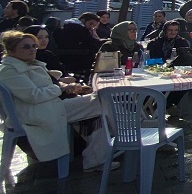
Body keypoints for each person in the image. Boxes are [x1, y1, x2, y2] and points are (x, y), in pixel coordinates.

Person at [0, 31, 110, 170]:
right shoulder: (9, 71)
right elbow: (34, 95)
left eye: (34, 46)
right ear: (11, 50)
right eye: (26, 47)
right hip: (38, 113)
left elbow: (49, 86)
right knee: (102, 101)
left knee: (99, 111)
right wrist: (61, 89)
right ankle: (126, 138)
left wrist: (67, 88)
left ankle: (97, 159)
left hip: (48, 106)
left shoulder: (28, 64)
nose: (32, 49)